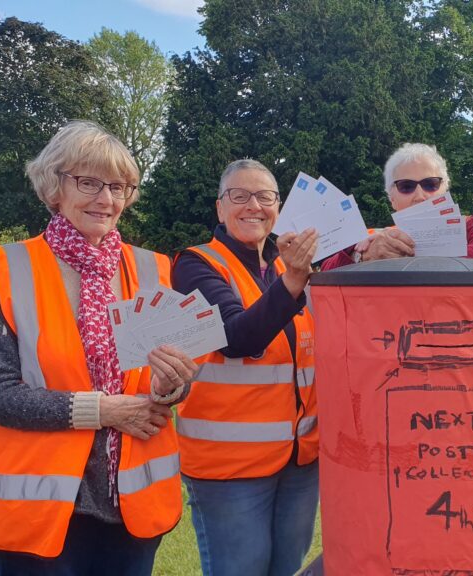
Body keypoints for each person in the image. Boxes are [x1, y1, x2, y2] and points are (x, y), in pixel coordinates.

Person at [0, 120, 198, 575]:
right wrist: (104, 411)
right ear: (54, 186)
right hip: (42, 509)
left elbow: (159, 386)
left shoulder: (154, 269)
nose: (107, 199)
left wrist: (173, 385)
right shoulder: (4, 268)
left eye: (119, 186)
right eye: (89, 182)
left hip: (131, 507)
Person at [171, 159, 320, 576]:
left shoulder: (282, 265)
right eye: (239, 195)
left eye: (265, 197)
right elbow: (237, 337)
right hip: (230, 466)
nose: (253, 205)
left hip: (297, 459)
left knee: (285, 567)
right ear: (220, 208)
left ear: (279, 207)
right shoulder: (195, 264)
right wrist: (294, 281)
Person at [321, 143, 473, 269]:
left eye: (430, 184)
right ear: (391, 198)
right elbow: (326, 269)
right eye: (406, 186)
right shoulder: (374, 238)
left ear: (445, 189)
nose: (420, 196)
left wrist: (414, 253)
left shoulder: (468, 227)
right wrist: (362, 256)